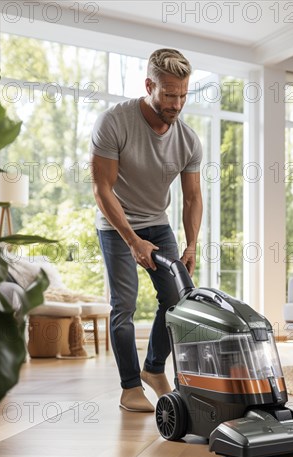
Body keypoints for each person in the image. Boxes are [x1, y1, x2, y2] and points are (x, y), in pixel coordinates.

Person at [91, 49, 203, 412]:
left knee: (177, 299)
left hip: (158, 222)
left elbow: (192, 199)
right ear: (149, 85)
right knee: (123, 304)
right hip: (116, 223)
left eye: (183, 95)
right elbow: (102, 189)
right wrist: (131, 239)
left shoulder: (188, 140)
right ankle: (129, 387)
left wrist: (192, 245)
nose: (177, 103)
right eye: (169, 94)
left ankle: (154, 368)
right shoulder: (114, 121)